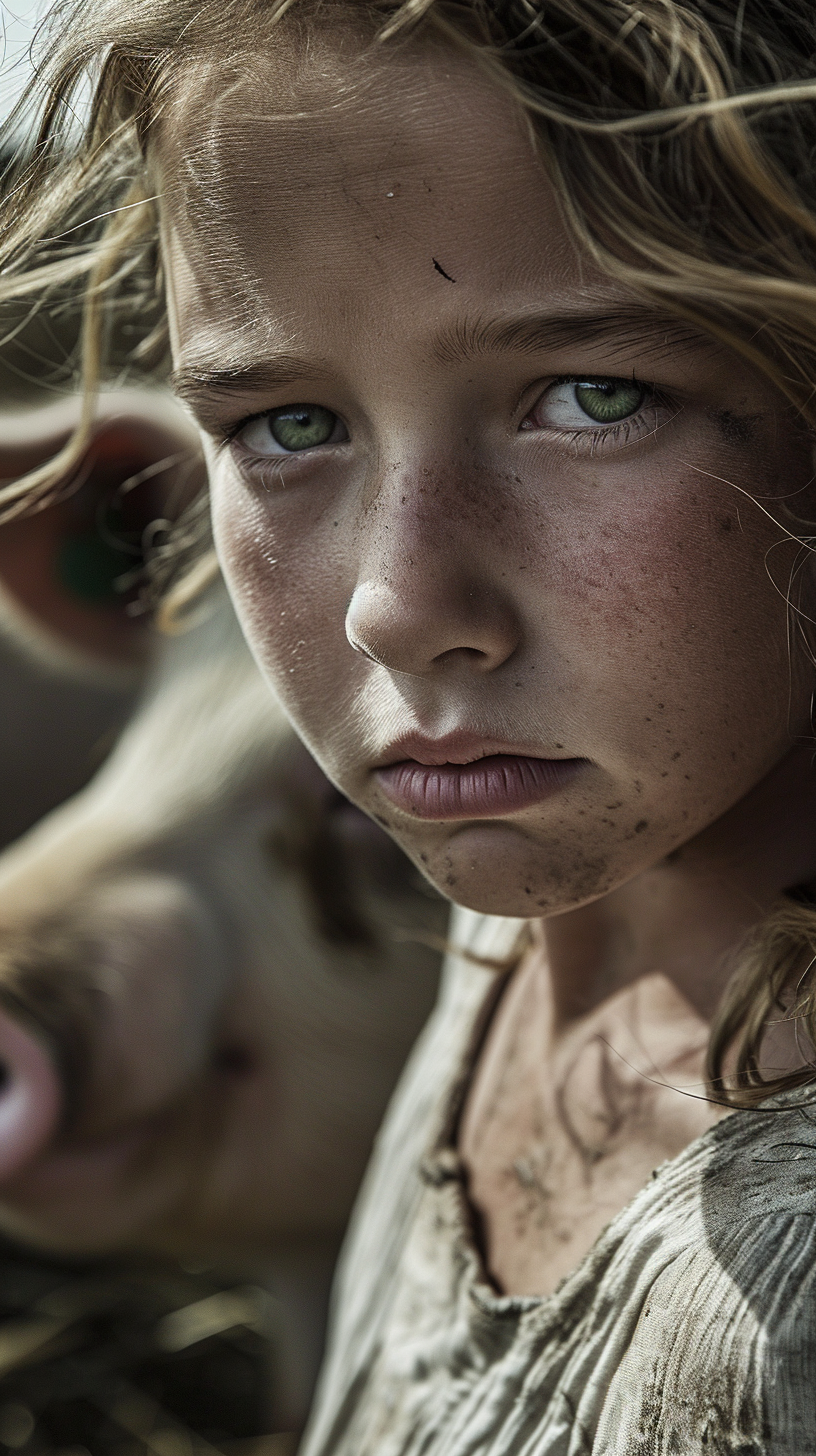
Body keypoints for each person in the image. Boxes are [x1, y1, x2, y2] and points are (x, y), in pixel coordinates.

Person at [3, 0, 816, 1447]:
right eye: (286, 427)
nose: (390, 603)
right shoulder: (522, 917)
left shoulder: (779, 1283)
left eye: (595, 395)